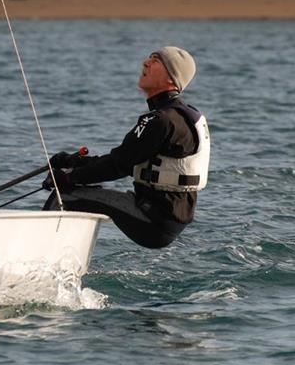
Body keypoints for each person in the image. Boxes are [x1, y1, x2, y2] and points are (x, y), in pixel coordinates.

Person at [43, 46, 210, 248]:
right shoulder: (181, 116)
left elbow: (117, 166)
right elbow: (127, 160)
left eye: (156, 61)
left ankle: (36, 258)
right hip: (168, 218)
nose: (145, 62)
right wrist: (74, 163)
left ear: (171, 79)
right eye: (149, 58)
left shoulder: (160, 120)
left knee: (65, 195)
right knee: (79, 191)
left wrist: (68, 177)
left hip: (153, 218)